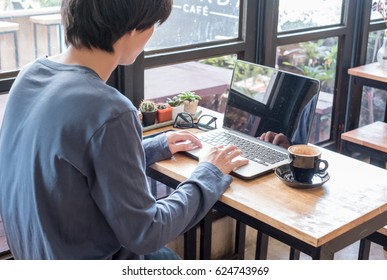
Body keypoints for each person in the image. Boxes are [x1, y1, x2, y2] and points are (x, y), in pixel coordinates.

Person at [0, 0, 248, 260]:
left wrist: (155, 146)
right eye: (152, 24)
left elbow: (70, 166)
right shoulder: (109, 110)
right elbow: (147, 232)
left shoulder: (30, 75)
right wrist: (209, 174)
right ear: (131, 30)